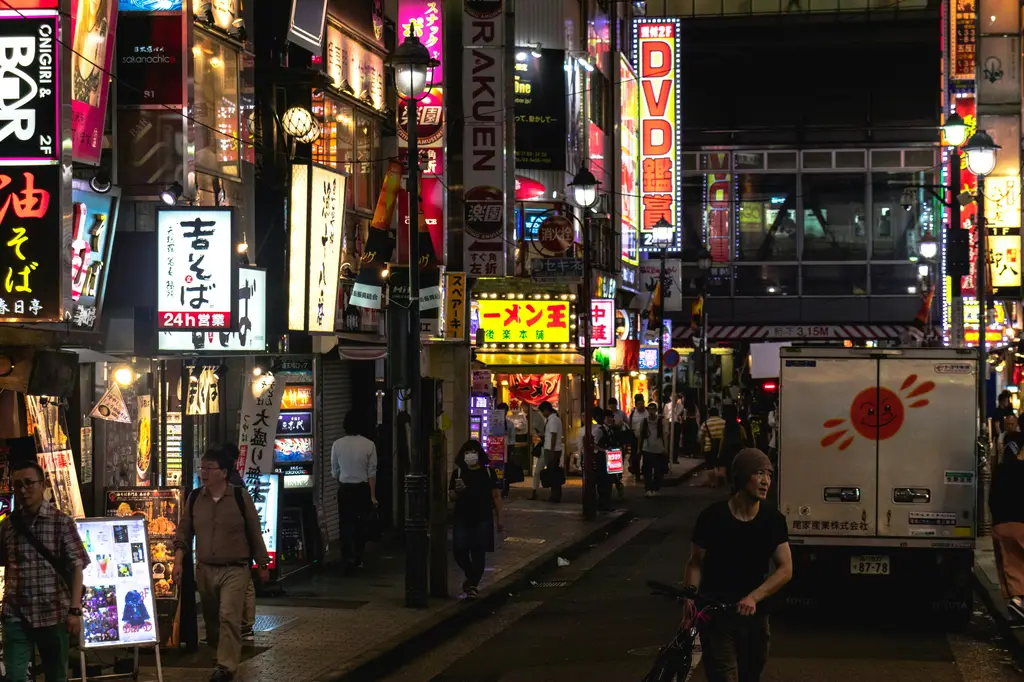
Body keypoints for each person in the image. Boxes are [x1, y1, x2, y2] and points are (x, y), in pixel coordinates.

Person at [684, 448, 793, 682]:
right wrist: (690, 600)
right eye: (759, 473)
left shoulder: (772, 520)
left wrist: (754, 597)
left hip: (755, 616)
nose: (766, 481)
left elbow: (785, 569)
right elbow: (695, 563)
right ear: (742, 477)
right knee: (724, 676)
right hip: (717, 612)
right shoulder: (712, 517)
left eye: (770, 475)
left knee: (751, 674)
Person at [174, 448, 270, 682]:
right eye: (202, 467)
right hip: (205, 568)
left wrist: (263, 563)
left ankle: (226, 668)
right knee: (212, 620)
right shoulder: (195, 497)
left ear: (224, 472)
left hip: (235, 568)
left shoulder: (239, 497)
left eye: (209, 468)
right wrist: (177, 561)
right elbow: (184, 532)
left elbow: (254, 531)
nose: (203, 472)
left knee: (228, 615)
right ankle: (218, 657)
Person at [0, 461, 89, 682]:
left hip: (53, 613)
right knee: (15, 677)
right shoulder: (8, 525)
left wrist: (75, 611)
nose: (22, 490)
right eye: (17, 485)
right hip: (16, 614)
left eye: (29, 483)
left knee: (56, 675)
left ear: (43, 485)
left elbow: (76, 566)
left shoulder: (61, 522)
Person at [449, 440, 505, 599]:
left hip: (483, 516)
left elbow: (496, 496)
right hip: (462, 516)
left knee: (478, 552)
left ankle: (472, 584)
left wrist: (500, 518)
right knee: (459, 550)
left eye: (473, 452)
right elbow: (451, 496)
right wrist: (456, 491)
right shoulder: (458, 474)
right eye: (467, 452)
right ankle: (470, 575)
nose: (470, 455)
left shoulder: (488, 473)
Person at [330, 411, 379, 573]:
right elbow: (372, 473)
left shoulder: (337, 444)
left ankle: (347, 558)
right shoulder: (369, 444)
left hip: (345, 489)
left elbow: (334, 472)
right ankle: (358, 557)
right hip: (362, 489)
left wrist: (342, 481)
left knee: (345, 524)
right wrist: (372, 496)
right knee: (361, 524)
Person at [990, 426, 1024, 624]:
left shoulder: (1002, 471)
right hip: (1021, 522)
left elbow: (992, 499)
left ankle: (1015, 601)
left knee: (1009, 564)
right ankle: (1018, 603)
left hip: (1002, 524)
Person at [224, 451, 256, 642]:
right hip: (237, 547)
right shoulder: (237, 483)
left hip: (237, 547)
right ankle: (244, 626)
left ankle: (244, 626)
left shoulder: (234, 487)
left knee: (245, 585)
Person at [530, 401, 563, 502]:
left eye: (543, 412)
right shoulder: (552, 419)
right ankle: (554, 495)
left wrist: (552, 450)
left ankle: (554, 495)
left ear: (547, 410)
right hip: (549, 448)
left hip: (550, 449)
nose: (542, 414)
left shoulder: (553, 420)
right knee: (553, 472)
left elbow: (553, 435)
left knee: (551, 472)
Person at [717, 404, 750, 489]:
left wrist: (719, 454)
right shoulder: (739, 427)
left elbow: (722, 441)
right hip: (738, 450)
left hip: (727, 452)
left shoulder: (726, 428)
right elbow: (745, 438)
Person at [640, 400, 668, 497]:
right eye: (650, 410)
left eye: (653, 410)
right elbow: (641, 435)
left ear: (656, 410)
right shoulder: (644, 421)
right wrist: (639, 449)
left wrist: (665, 448)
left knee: (658, 470)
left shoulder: (660, 422)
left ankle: (655, 488)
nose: (651, 412)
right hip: (647, 448)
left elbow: (664, 435)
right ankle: (648, 488)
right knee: (647, 470)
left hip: (658, 449)